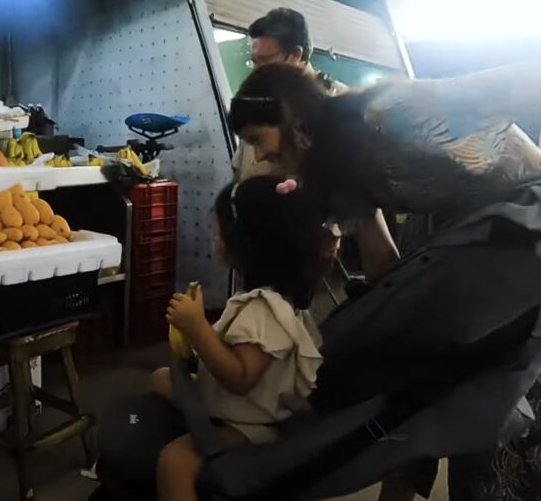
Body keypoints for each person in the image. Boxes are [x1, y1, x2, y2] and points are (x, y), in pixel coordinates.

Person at [228, 62, 541, 501]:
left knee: (484, 414)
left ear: (294, 120)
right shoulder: (338, 171)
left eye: (256, 139)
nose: (258, 155)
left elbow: (514, 84)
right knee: (408, 382)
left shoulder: (387, 113)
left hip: (522, 228)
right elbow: (381, 263)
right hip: (456, 232)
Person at [148, 175, 334, 501]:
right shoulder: (270, 298)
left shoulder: (263, 310)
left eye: (218, 233)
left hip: (253, 422)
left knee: (174, 462)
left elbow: (240, 377)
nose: (214, 239)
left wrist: (197, 328)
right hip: (244, 400)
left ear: (246, 245)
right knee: (161, 379)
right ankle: (201, 409)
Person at [234, 8, 346, 183]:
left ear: (295, 55)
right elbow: (240, 174)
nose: (256, 72)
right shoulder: (257, 104)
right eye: (254, 62)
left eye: (264, 62)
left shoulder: (341, 106)